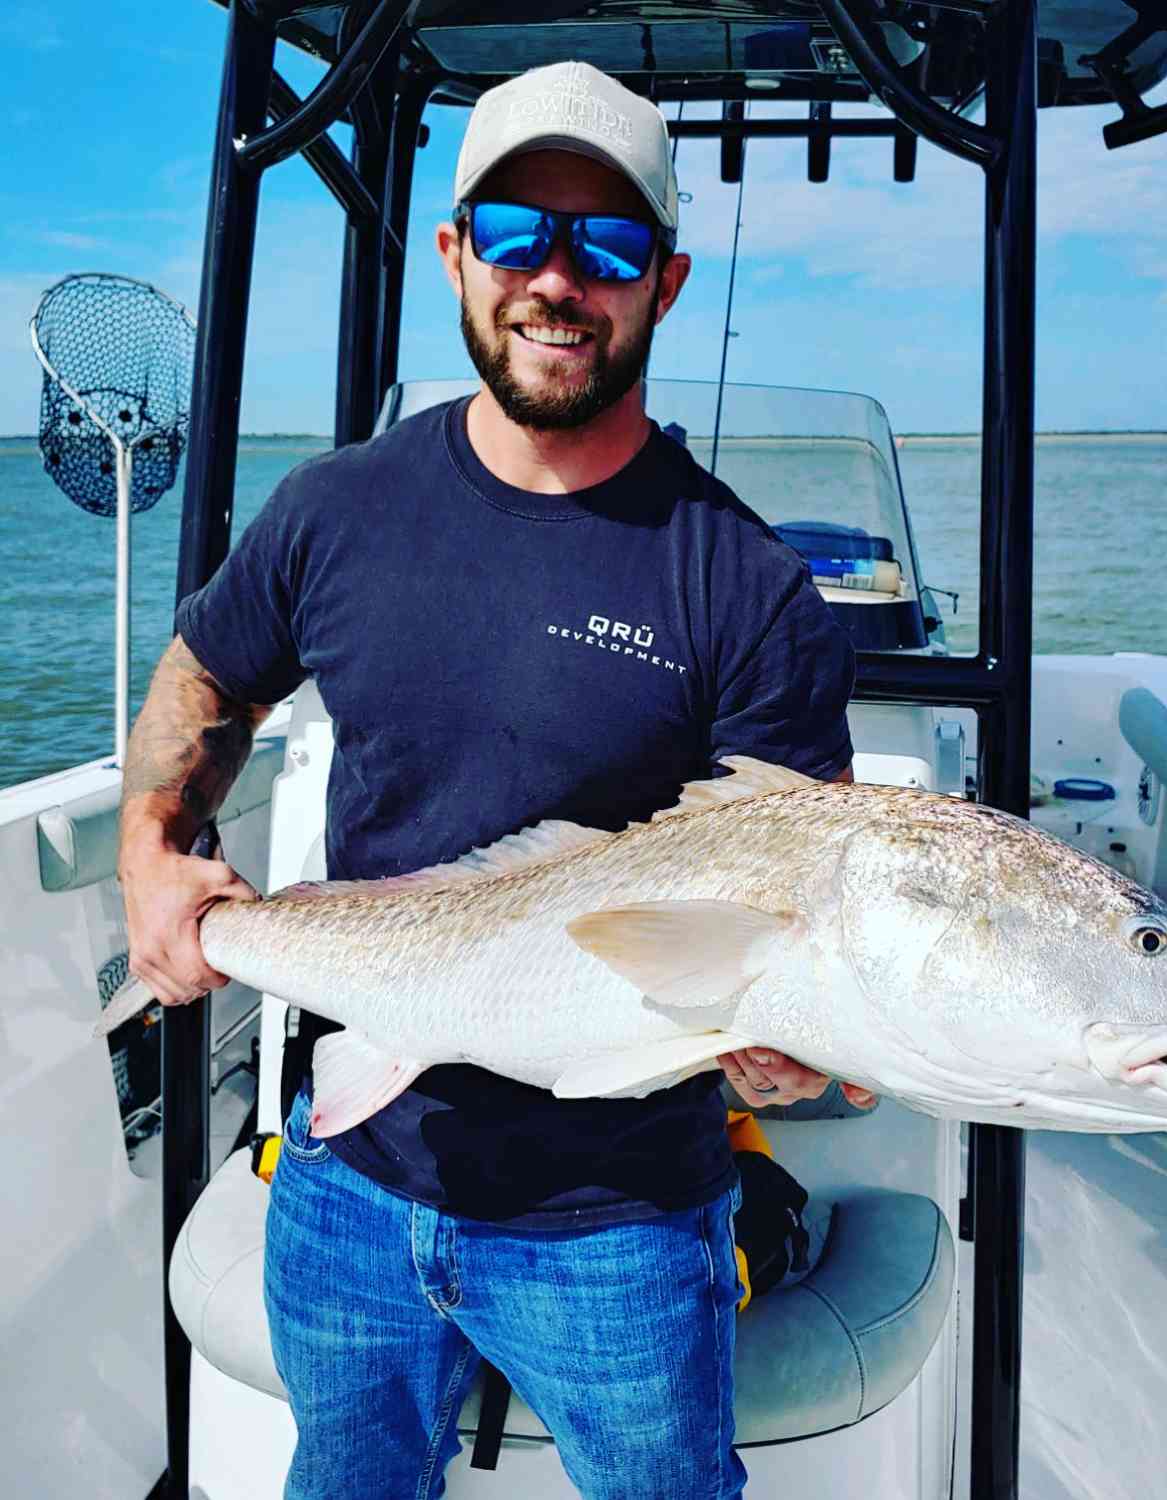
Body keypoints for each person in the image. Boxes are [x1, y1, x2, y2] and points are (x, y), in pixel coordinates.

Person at [118, 59, 871, 1500]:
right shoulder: (334, 511)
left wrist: (790, 1033)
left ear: (665, 278)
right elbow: (210, 678)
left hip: (622, 1223)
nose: (557, 281)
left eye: (606, 246)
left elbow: (797, 900)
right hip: (345, 1176)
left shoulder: (749, 585)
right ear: (457, 251)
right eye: (520, 231)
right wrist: (155, 847)